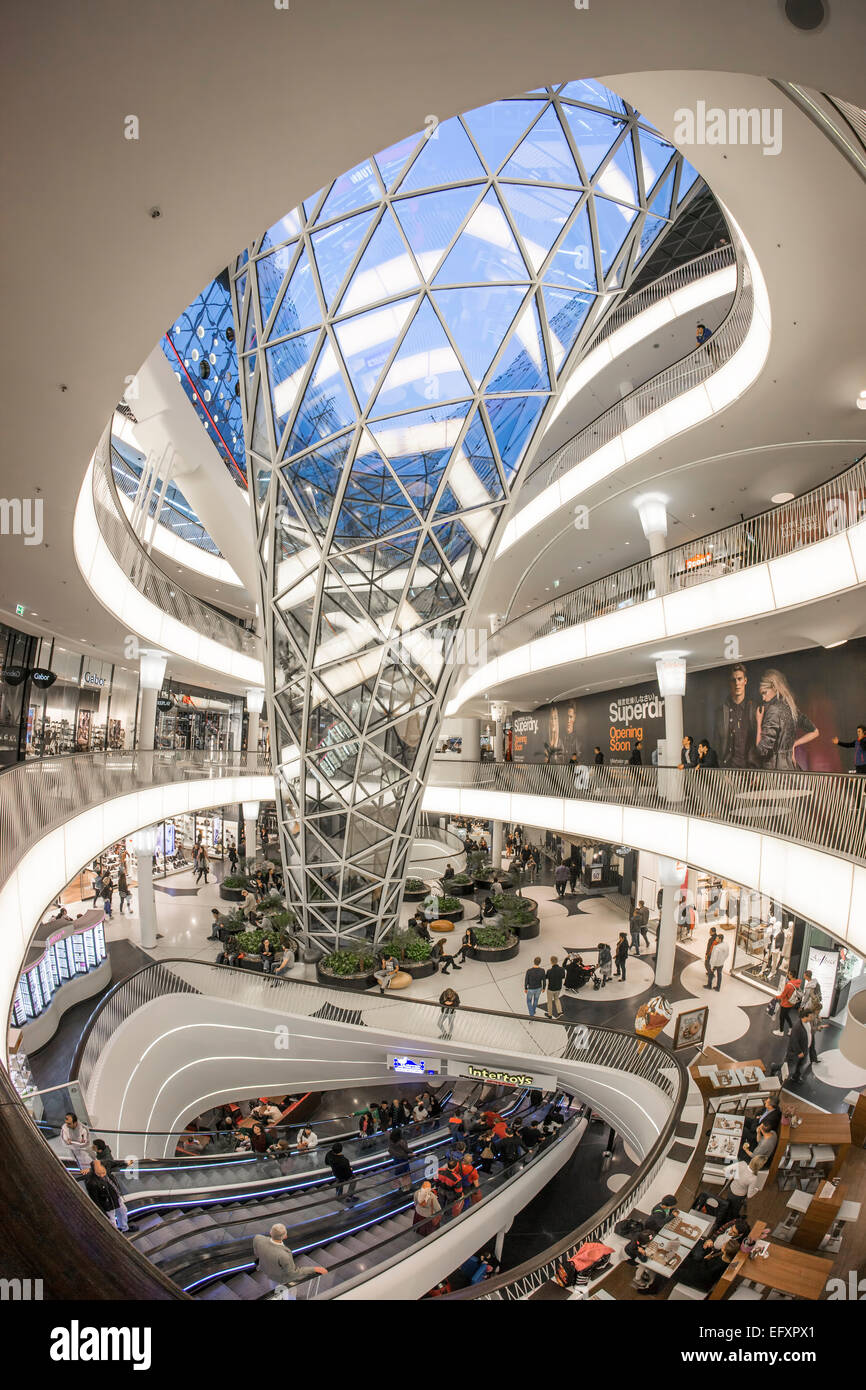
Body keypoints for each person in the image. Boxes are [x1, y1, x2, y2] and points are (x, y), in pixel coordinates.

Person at [755, 669, 819, 770]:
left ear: (774, 688)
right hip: (791, 769)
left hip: (775, 773)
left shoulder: (773, 710)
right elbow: (815, 732)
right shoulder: (791, 707)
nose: (763, 698)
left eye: (764, 693)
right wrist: (794, 744)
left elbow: (761, 751)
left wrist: (758, 722)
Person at [252, 1223, 326, 1292]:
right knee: (290, 1292)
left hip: (268, 1271)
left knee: (274, 1286)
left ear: (270, 1232)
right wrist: (314, 1269)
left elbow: (257, 1253)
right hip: (282, 1278)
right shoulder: (284, 1255)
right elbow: (293, 1273)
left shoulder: (258, 1238)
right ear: (285, 1236)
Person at [715, 662, 758, 768]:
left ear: (745, 681)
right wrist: (721, 771)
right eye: (733, 680)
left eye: (739, 679)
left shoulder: (754, 708)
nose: (737, 683)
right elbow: (717, 743)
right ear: (730, 683)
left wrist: (757, 769)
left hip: (750, 769)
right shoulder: (721, 711)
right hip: (729, 769)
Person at [85, 1158, 129, 1233]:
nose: (102, 1175)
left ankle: (124, 1228)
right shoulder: (91, 1182)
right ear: (94, 1171)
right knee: (111, 1220)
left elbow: (115, 1163)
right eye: (99, 1174)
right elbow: (95, 1200)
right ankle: (115, 1235)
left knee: (123, 1210)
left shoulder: (106, 1164)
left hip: (115, 1196)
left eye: (103, 1173)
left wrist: (126, 1163)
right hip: (106, 1203)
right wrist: (102, 1212)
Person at [772, 969, 803, 1035]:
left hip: (785, 1004)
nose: (788, 975)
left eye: (789, 974)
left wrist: (776, 997)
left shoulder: (789, 985)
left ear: (791, 975)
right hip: (791, 1003)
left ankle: (781, 1031)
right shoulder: (797, 983)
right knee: (786, 1016)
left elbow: (783, 995)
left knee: (782, 1017)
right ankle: (791, 1028)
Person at [785, 1009, 810, 1085]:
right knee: (789, 1065)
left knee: (799, 1065)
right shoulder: (797, 1027)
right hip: (797, 1052)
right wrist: (799, 1052)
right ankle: (776, 1068)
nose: (812, 1018)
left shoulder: (806, 1024)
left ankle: (796, 1077)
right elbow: (794, 1041)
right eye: (811, 1016)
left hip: (803, 1051)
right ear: (805, 1017)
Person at [388, 1127, 412, 1192]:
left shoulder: (391, 1141)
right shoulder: (402, 1141)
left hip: (396, 1159)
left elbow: (390, 1150)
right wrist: (411, 1152)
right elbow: (406, 1149)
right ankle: (406, 1188)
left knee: (399, 1174)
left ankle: (400, 1187)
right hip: (403, 1159)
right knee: (405, 1174)